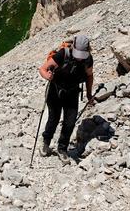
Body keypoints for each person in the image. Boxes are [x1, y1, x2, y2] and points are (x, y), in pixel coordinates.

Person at [38, 35, 94, 163]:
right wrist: (48, 76)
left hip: (72, 92)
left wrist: (89, 94)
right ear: (73, 47)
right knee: (54, 118)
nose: (80, 57)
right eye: (78, 54)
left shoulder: (88, 60)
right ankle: (46, 142)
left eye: (82, 54)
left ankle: (62, 148)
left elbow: (89, 76)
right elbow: (43, 69)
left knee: (70, 122)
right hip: (55, 91)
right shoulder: (63, 53)